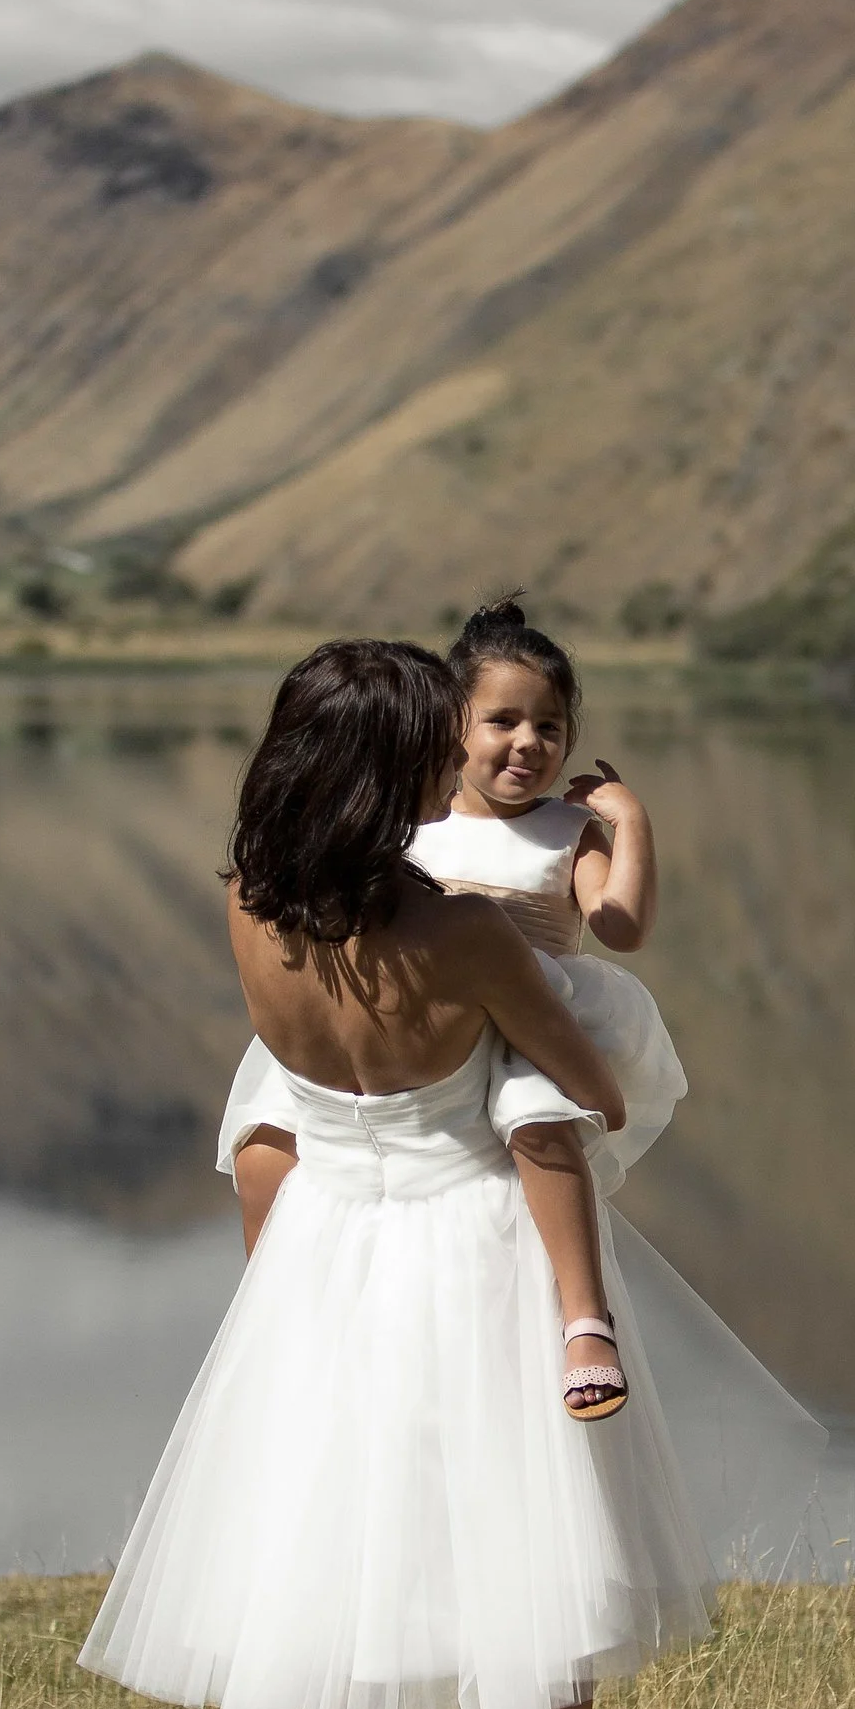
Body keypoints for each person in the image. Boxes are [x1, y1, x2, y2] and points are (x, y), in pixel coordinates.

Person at [80, 639, 730, 1709]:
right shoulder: (464, 937)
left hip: (333, 1260)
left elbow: (288, 1105)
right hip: (481, 1256)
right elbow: (594, 1086)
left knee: (345, 1606)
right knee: (547, 1603)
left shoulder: (256, 913)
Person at [221, 593, 687, 1420]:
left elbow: (617, 925)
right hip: (461, 1190)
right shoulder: (456, 924)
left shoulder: (259, 905)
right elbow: (603, 1101)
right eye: (450, 737)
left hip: (336, 1202)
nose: (518, 746)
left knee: (263, 1135)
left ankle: (268, 1312)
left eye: (549, 727)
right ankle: (584, 1321)